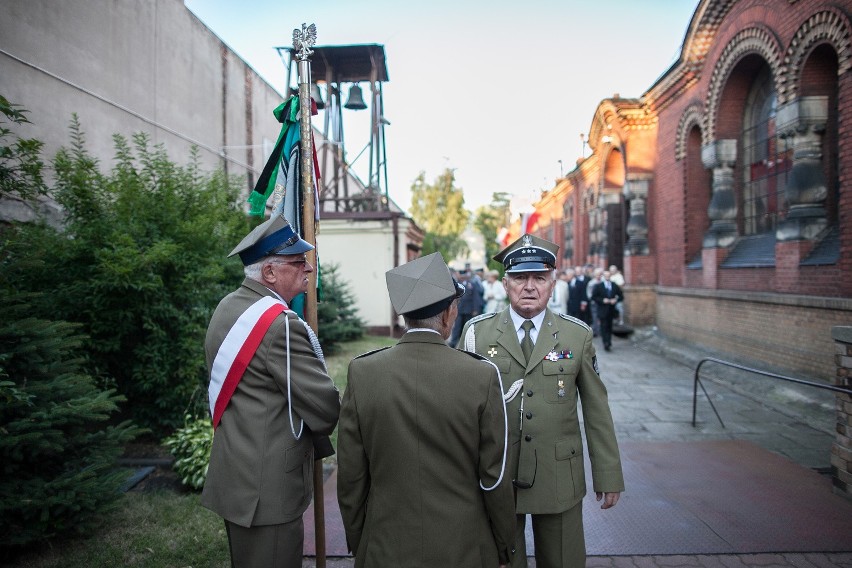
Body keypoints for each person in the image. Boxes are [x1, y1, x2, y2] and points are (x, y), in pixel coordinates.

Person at [337, 252, 516, 567]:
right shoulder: (481, 374)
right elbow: (494, 477)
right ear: (449, 314)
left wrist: (358, 538)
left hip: (385, 543)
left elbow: (352, 473)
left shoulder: (363, 372)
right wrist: (504, 544)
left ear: (405, 315)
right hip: (463, 545)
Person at [458, 234, 624, 568]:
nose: (530, 286)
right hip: (497, 473)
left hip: (558, 472)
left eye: (539, 277)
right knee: (502, 560)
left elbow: (596, 410)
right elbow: (460, 411)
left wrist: (607, 474)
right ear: (505, 284)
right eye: (520, 277)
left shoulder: (577, 335)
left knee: (563, 558)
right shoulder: (478, 334)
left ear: (552, 283)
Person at [202, 213, 341, 568]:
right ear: (269, 273)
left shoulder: (229, 306)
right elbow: (324, 407)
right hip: (267, 490)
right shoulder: (279, 326)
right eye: (298, 262)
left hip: (238, 475)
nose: (309, 268)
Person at [449, 267, 484, 347]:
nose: (462, 276)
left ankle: (466, 345)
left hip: (468, 310)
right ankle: (453, 343)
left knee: (467, 327)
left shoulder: (472, 284)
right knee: (457, 327)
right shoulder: (456, 284)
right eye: (461, 275)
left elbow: (476, 297)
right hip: (459, 309)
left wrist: (475, 309)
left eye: (464, 275)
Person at [591, 270, 624, 352]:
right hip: (602, 310)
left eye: (608, 275)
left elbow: (621, 296)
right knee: (603, 326)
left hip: (611, 310)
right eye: (605, 275)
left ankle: (609, 342)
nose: (607, 277)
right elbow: (594, 297)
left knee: (609, 327)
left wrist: (615, 300)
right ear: (603, 276)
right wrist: (603, 300)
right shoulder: (599, 286)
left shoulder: (614, 285)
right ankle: (605, 342)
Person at [586, 267, 604, 337]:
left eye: (600, 274)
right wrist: (593, 300)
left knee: (602, 317)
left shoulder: (603, 281)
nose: (598, 276)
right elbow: (589, 293)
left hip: (603, 303)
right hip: (594, 303)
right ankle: (596, 331)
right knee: (595, 317)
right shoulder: (591, 283)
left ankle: (602, 330)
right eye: (597, 274)